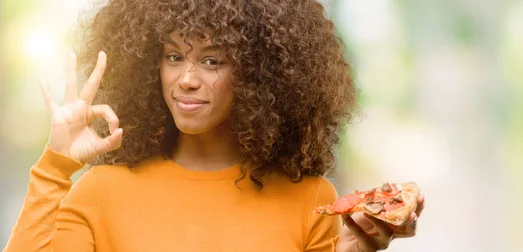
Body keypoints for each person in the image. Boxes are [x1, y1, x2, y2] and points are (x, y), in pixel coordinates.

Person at [3, 0, 424, 251]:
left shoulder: (311, 200)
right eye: (173, 56)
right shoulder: (100, 192)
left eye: (212, 60)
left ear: (259, 74)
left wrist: (352, 250)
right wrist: (55, 165)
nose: (186, 78)